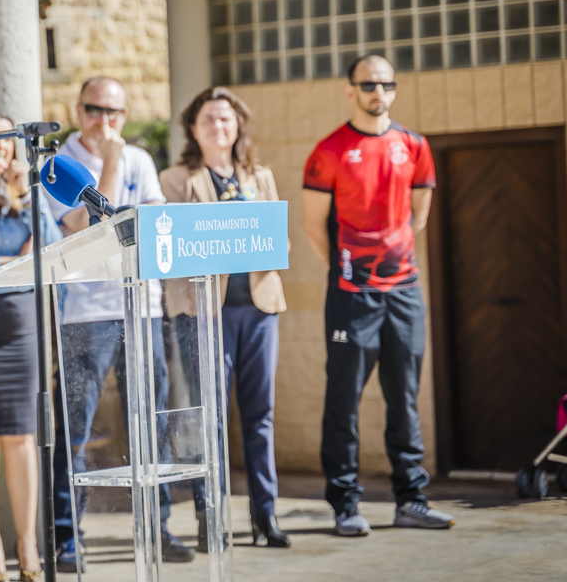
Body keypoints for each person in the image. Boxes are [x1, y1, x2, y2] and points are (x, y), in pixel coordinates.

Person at [302, 54, 454, 536]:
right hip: (352, 294)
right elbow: (313, 226)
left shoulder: (414, 145)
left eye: (386, 84)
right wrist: (346, 269)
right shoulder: (329, 150)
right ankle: (345, 505)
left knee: (404, 398)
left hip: (404, 291)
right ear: (351, 90)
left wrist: (390, 261)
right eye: (368, 84)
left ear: (394, 89)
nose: (378, 92)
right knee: (343, 399)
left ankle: (411, 500)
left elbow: (418, 214)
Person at [48, 77, 196, 570]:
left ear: (125, 115)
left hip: (141, 307)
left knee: (150, 419)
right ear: (78, 111)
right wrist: (110, 165)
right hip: (85, 313)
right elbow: (83, 230)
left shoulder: (140, 160)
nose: (104, 121)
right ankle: (68, 535)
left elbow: (153, 226)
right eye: (94, 109)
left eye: (113, 112)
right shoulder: (60, 166)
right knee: (76, 427)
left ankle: (157, 525)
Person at [160, 87, 290, 550]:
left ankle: (265, 515)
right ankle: (210, 518)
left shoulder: (260, 176)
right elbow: (172, 245)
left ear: (238, 126)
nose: (219, 126)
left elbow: (278, 241)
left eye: (226, 118)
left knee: (260, 417)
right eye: (209, 119)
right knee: (207, 418)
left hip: (258, 310)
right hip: (202, 315)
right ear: (194, 129)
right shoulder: (176, 180)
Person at [0, 107, 63, 582]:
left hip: (22, 325)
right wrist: (10, 262)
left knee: (23, 437)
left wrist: (28, 196)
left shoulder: (24, 192)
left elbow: (51, 248)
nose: (2, 147)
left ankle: (28, 544)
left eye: (8, 139)